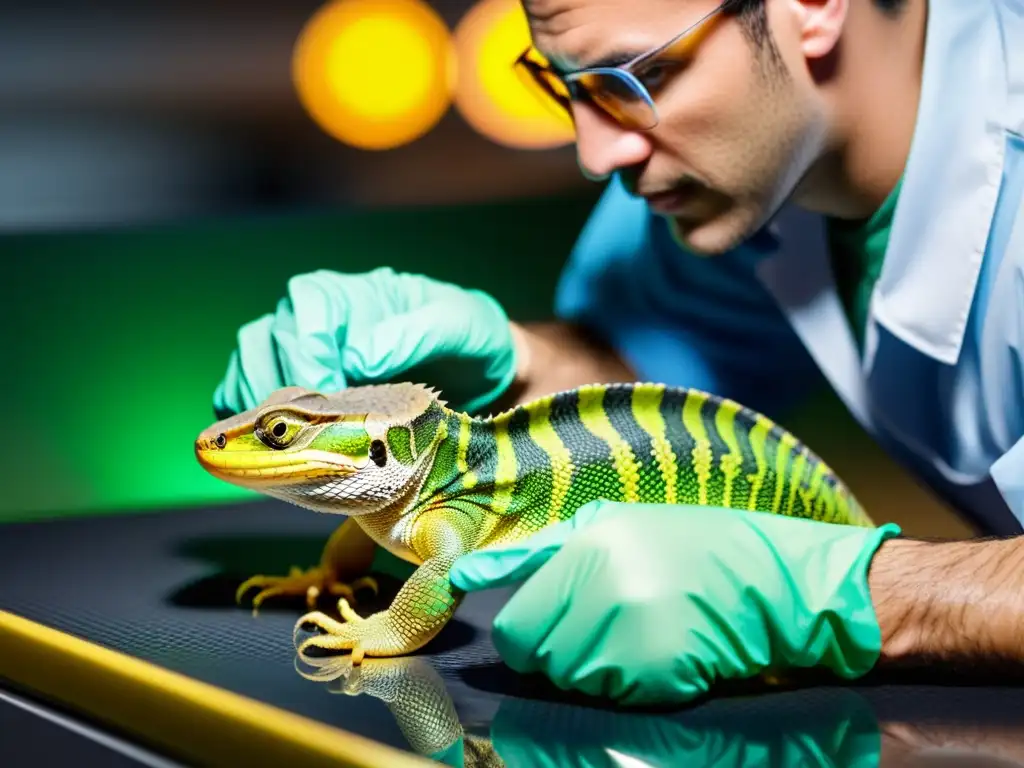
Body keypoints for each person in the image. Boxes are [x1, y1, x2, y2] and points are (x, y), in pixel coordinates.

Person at [212, 0, 1024, 705]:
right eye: (566, 86)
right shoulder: (719, 169)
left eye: (639, 76)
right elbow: (646, 383)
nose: (597, 155)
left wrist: (851, 595)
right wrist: (516, 358)